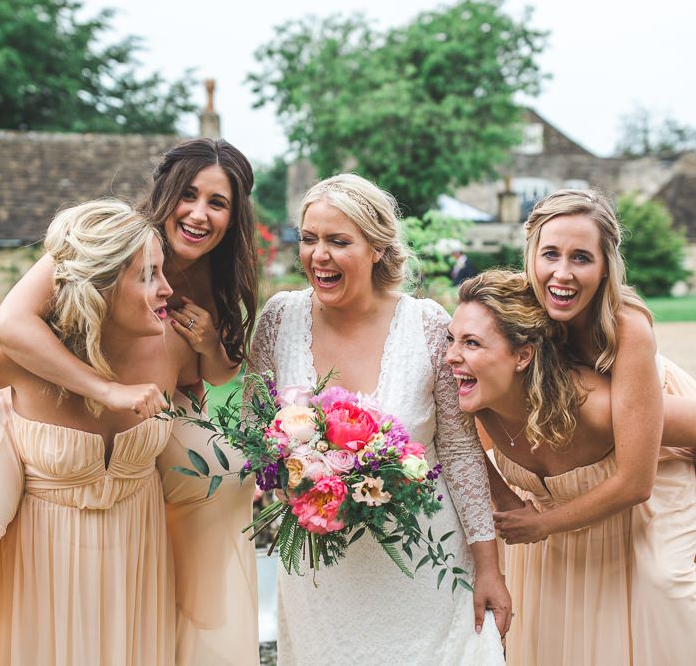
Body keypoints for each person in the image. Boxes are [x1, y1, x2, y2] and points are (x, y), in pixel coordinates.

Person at [0, 138, 260, 665]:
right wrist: (104, 389)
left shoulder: (202, 299)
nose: (199, 214)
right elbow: (11, 324)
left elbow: (218, 374)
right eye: (189, 195)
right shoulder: (102, 245)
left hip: (134, 535)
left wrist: (208, 345)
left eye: (218, 203)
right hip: (44, 532)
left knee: (227, 477)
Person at [247, 173, 508, 665]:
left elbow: (458, 451)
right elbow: (256, 431)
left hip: (427, 563)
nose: (318, 255)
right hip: (322, 573)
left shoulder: (428, 324)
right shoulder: (279, 318)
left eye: (338, 241)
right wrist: (296, 474)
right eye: (309, 239)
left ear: (376, 249)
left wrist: (487, 567)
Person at [0, 199, 199, 664]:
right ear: (102, 286)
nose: (167, 289)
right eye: (148, 275)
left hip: (138, 566)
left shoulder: (174, 347)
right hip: (38, 571)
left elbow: (218, 385)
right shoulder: (19, 355)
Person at [446, 269, 696, 665]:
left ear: (523, 355)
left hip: (650, 500)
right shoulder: (472, 398)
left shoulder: (594, 404)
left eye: (472, 343)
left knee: (662, 608)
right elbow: (453, 448)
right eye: (451, 339)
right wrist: (506, 497)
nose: (451, 357)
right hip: (556, 539)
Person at [498, 189, 696, 664]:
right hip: (589, 452)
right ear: (532, 254)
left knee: (664, 581)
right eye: (551, 254)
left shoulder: (626, 329)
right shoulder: (518, 317)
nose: (562, 274)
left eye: (581, 258)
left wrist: (541, 523)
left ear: (605, 266)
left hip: (662, 453)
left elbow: (636, 481)